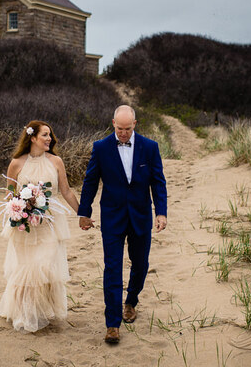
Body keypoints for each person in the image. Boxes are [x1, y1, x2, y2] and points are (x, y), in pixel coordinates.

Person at [78, 105, 168, 344]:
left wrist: (161, 213)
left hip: (140, 216)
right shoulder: (101, 147)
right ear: (113, 124)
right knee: (112, 268)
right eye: (119, 129)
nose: (123, 133)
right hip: (112, 217)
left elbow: (158, 182)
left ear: (135, 125)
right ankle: (112, 324)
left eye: (128, 129)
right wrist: (84, 213)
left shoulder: (150, 147)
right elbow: (90, 181)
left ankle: (131, 301)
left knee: (140, 264)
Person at [0, 120, 81, 332]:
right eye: (44, 135)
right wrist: (19, 207)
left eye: (50, 135)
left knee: (45, 265)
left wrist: (83, 214)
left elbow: (66, 191)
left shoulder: (56, 161)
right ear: (32, 138)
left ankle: (39, 309)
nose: (49, 138)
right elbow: (9, 193)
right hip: (25, 223)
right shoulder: (17, 163)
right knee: (27, 268)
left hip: (50, 222)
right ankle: (25, 313)